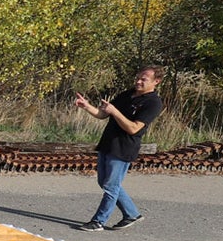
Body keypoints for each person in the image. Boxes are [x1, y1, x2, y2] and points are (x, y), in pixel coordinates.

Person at [70, 65, 163, 231]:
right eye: (138, 78)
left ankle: (99, 221)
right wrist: (86, 106)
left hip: (123, 148)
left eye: (144, 79)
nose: (138, 82)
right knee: (104, 182)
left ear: (156, 81)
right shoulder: (127, 94)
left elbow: (134, 128)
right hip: (108, 143)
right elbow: (103, 114)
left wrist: (115, 112)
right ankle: (132, 214)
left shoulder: (153, 103)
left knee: (111, 186)